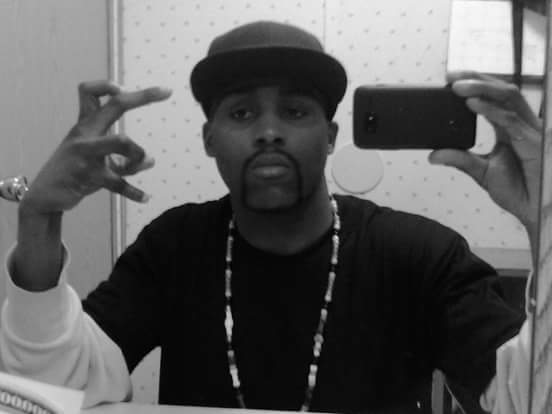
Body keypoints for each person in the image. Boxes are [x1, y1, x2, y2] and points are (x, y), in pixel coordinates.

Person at [0, 21, 540, 414]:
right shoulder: (175, 246)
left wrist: (544, 219)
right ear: (209, 140)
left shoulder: (419, 253)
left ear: (330, 136)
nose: (268, 132)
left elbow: (527, 399)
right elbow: (60, 389)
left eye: (295, 111)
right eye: (241, 113)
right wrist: (40, 219)